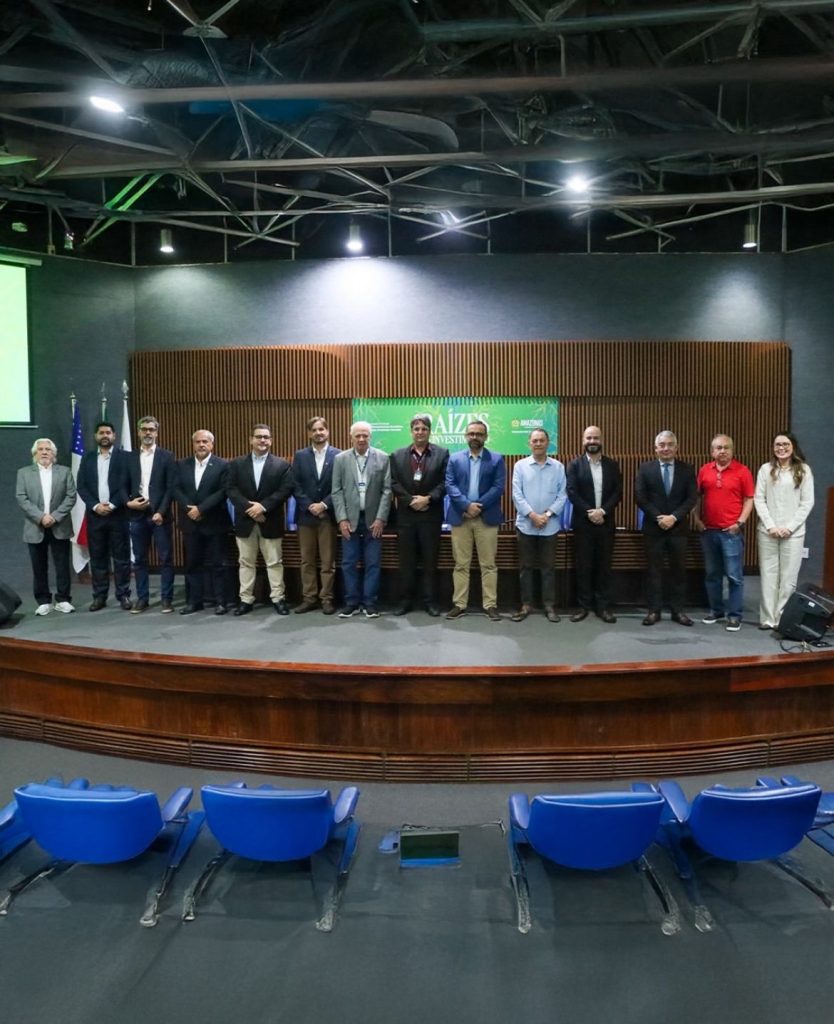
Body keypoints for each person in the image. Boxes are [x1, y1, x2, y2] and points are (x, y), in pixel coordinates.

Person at [227, 424, 293, 616]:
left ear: (271, 440)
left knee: (274, 562)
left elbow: (285, 490)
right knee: (246, 563)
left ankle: (278, 598)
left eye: (266, 437)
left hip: (270, 520)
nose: (262, 440)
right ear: (251, 439)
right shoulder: (237, 464)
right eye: (258, 437)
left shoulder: (281, 465)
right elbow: (231, 489)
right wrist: (251, 509)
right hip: (245, 521)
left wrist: (262, 507)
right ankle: (246, 599)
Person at [445, 420, 506, 621]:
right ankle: (459, 604)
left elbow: (498, 487)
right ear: (466, 436)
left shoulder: (496, 459)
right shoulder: (454, 459)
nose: (475, 437)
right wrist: (466, 506)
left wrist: (477, 506)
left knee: (488, 564)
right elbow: (450, 485)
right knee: (461, 564)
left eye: (479, 434)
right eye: (471, 433)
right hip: (461, 517)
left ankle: (490, 605)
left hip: (486, 518)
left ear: (485, 437)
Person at [634, 430, 697, 626]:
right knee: (654, 572)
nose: (666, 448)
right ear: (655, 448)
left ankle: (678, 611)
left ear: (676, 448)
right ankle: (654, 611)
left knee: (679, 571)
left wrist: (674, 517)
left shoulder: (687, 469)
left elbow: (691, 498)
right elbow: (640, 497)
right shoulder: (645, 469)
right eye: (662, 445)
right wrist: (658, 517)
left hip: (678, 530)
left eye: (670, 444)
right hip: (654, 529)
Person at [754, 432, 815, 630]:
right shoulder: (766, 469)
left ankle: (782, 619)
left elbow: (807, 503)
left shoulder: (803, 470)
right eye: (777, 444)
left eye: (785, 444)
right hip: (767, 532)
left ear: (793, 446)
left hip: (793, 534)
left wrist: (789, 527)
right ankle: (767, 619)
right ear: (773, 448)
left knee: (788, 579)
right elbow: (759, 499)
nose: (781, 448)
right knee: (769, 576)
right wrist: (771, 525)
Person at [390, 414, 449, 617]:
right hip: (406, 517)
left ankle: (430, 601)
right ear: (411, 431)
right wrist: (410, 500)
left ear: (429, 431)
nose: (420, 432)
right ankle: (405, 600)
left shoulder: (442, 454)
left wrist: (427, 499)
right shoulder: (397, 455)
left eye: (424, 429)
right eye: (416, 429)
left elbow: (445, 482)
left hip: (430, 516)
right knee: (406, 561)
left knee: (430, 561)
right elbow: (393, 482)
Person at [331, 421, 392, 618]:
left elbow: (387, 491)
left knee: (373, 563)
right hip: (349, 520)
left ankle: (370, 603)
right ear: (351, 437)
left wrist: (381, 518)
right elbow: (336, 491)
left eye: (365, 435)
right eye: (357, 435)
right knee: (349, 563)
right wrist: (341, 519)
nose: (361, 439)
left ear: (370, 437)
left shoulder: (383, 458)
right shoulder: (340, 459)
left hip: (374, 520)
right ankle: (351, 603)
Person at [694, 434, 754, 632]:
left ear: (732, 450)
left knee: (734, 576)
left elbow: (749, 499)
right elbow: (696, 497)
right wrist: (697, 519)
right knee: (712, 574)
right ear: (712, 451)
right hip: (708, 531)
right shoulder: (704, 470)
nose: (722, 451)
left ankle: (734, 615)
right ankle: (716, 611)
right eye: (718, 448)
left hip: (731, 532)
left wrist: (740, 522)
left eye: (726, 447)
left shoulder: (742, 471)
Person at [565, 425, 622, 623]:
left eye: (595, 438)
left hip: (606, 523)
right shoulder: (575, 465)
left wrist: (602, 511)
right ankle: (583, 606)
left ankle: (602, 607)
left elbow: (617, 492)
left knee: (604, 566)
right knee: (583, 566)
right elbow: (572, 492)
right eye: (588, 438)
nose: (592, 441)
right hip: (583, 523)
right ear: (583, 441)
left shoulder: (612, 465)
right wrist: (590, 512)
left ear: (601, 440)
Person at [15, 438, 77, 615]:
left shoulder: (64, 472)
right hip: (35, 526)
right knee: (39, 566)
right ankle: (43, 601)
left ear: (53, 454)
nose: (44, 452)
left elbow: (71, 496)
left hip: (60, 525)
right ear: (34, 453)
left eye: (47, 450)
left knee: (62, 565)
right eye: (40, 449)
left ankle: (63, 599)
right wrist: (41, 517)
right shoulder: (23, 473)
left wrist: (54, 517)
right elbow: (21, 498)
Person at [510, 428, 566, 622]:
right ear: (529, 443)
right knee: (526, 567)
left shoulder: (558, 467)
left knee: (548, 568)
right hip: (526, 525)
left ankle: (549, 605)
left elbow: (562, 495)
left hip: (550, 526)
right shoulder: (520, 466)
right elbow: (517, 495)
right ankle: (526, 605)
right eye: (535, 440)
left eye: (542, 440)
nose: (538, 443)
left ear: (548, 443)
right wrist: (533, 515)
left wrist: (547, 515)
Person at [174, 429, 232, 616]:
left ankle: (221, 602)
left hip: (214, 521)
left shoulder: (223, 465)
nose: (201, 445)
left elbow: (223, 491)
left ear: (212, 444)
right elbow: (175, 489)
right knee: (192, 564)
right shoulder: (182, 464)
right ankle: (194, 601)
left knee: (218, 564)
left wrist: (201, 509)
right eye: (198, 441)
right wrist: (189, 509)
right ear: (193, 444)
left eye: (205, 441)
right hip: (190, 522)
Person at [76, 420, 132, 611]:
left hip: (118, 515)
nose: (105, 435)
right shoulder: (88, 458)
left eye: (108, 432)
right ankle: (99, 596)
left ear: (114, 436)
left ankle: (123, 595)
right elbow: (82, 486)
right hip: (95, 516)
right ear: (96, 436)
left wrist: (113, 504)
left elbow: (128, 484)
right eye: (101, 433)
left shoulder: (125, 457)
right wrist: (95, 506)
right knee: (98, 558)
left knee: (121, 559)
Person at [126, 416, 176, 613]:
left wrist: (160, 511)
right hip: (137, 515)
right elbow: (122, 485)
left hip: (160, 516)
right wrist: (128, 503)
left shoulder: (167, 456)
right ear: (139, 432)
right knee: (139, 559)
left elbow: (170, 487)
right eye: (144, 429)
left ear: (156, 432)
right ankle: (142, 599)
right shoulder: (129, 457)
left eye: (151, 429)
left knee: (166, 559)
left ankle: (166, 599)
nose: (148, 432)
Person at [291, 417, 340, 615]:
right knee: (307, 561)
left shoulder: (339, 455)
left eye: (322, 429)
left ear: (327, 431)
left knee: (328, 561)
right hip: (306, 516)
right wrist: (309, 505)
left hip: (328, 515)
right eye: (314, 430)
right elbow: (295, 484)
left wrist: (323, 504)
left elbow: (340, 485)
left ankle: (326, 598)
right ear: (309, 433)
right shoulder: (300, 455)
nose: (318, 433)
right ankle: (309, 598)